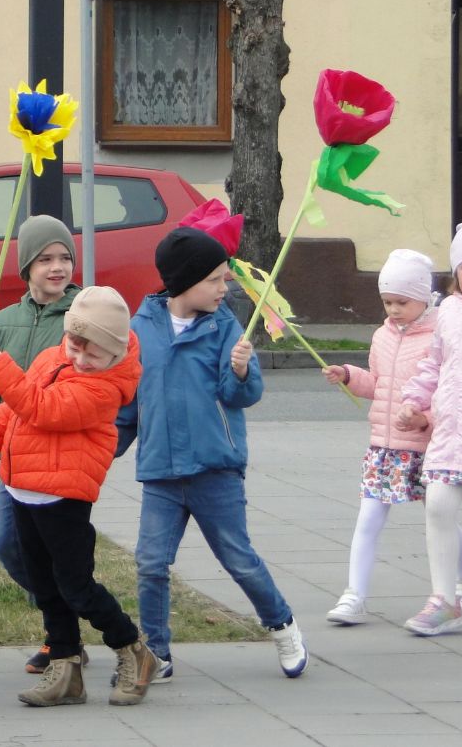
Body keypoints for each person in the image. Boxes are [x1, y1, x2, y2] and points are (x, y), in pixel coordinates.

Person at [0, 286, 158, 706]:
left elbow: (41, 408)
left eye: (92, 352)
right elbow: (10, 414)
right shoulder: (51, 358)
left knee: (77, 588)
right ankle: (65, 669)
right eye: (74, 344)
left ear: (115, 354)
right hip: (23, 490)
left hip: (63, 498)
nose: (79, 359)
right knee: (45, 587)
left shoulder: (104, 390)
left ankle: (133, 649)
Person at [116, 227, 308, 680]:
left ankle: (282, 625)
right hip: (161, 472)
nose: (226, 288)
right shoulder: (139, 329)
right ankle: (157, 653)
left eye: (226, 279)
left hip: (214, 469)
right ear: (184, 282)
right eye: (217, 280)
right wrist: (102, 450)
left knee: (238, 558)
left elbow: (242, 395)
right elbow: (129, 405)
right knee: (151, 563)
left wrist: (241, 371)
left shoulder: (226, 328)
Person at [322, 250, 462, 625]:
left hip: (425, 445)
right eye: (387, 302)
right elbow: (377, 384)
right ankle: (354, 595)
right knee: (369, 515)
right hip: (384, 446)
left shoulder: (442, 328)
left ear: (425, 296)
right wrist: (348, 375)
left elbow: (448, 386)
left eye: (402, 302)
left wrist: (424, 417)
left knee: (442, 516)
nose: (393, 309)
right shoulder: (381, 336)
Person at [0, 215, 84, 674]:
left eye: (64, 258)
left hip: (61, 459)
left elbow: (73, 384)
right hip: (15, 457)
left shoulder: (82, 315)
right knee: (6, 544)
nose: (57, 268)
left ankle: (62, 637)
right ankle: (63, 623)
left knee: (56, 553)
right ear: (26, 268)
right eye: (45, 260)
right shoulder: (5, 320)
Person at [397, 220, 462, 635]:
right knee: (439, 505)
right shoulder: (448, 312)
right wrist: (415, 399)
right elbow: (434, 363)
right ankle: (445, 600)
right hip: (453, 432)